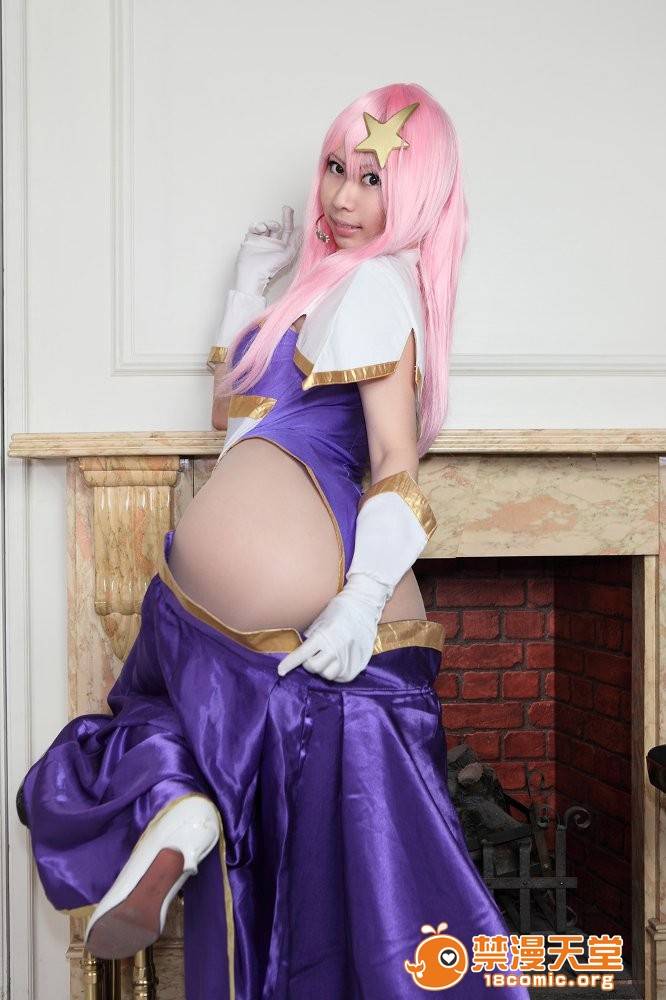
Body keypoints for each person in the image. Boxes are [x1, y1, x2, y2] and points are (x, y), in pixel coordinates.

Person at [17, 83, 530, 999]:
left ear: (417, 195)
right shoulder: (322, 289)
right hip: (214, 606)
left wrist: (360, 601)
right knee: (170, 715)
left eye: (372, 179)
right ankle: (188, 813)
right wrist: (247, 292)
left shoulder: (378, 284)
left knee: (155, 723)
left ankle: (186, 811)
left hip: (294, 602)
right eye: (336, 168)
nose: (342, 196)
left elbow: (395, 463)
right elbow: (237, 425)